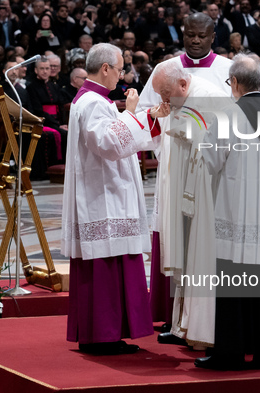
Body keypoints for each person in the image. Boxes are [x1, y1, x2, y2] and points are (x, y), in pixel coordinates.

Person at [61, 43, 169, 355]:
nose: (121, 75)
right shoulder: (93, 102)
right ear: (105, 68)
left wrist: (148, 116)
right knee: (106, 267)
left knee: (110, 265)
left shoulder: (94, 100)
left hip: (106, 194)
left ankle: (103, 334)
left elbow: (116, 131)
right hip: (103, 198)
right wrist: (133, 112)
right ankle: (103, 337)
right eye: (119, 69)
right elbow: (109, 143)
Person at [195, 53, 260, 371]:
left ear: (236, 83)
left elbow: (209, 163)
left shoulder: (228, 116)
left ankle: (232, 353)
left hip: (238, 216)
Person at [137, 12, 232, 337]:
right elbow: (148, 112)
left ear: (212, 35)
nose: (194, 40)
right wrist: (168, 143)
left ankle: (196, 323)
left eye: (201, 35)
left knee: (197, 245)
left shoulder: (225, 70)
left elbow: (227, 120)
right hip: (173, 163)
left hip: (204, 171)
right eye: (189, 34)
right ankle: (176, 318)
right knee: (176, 238)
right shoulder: (165, 69)